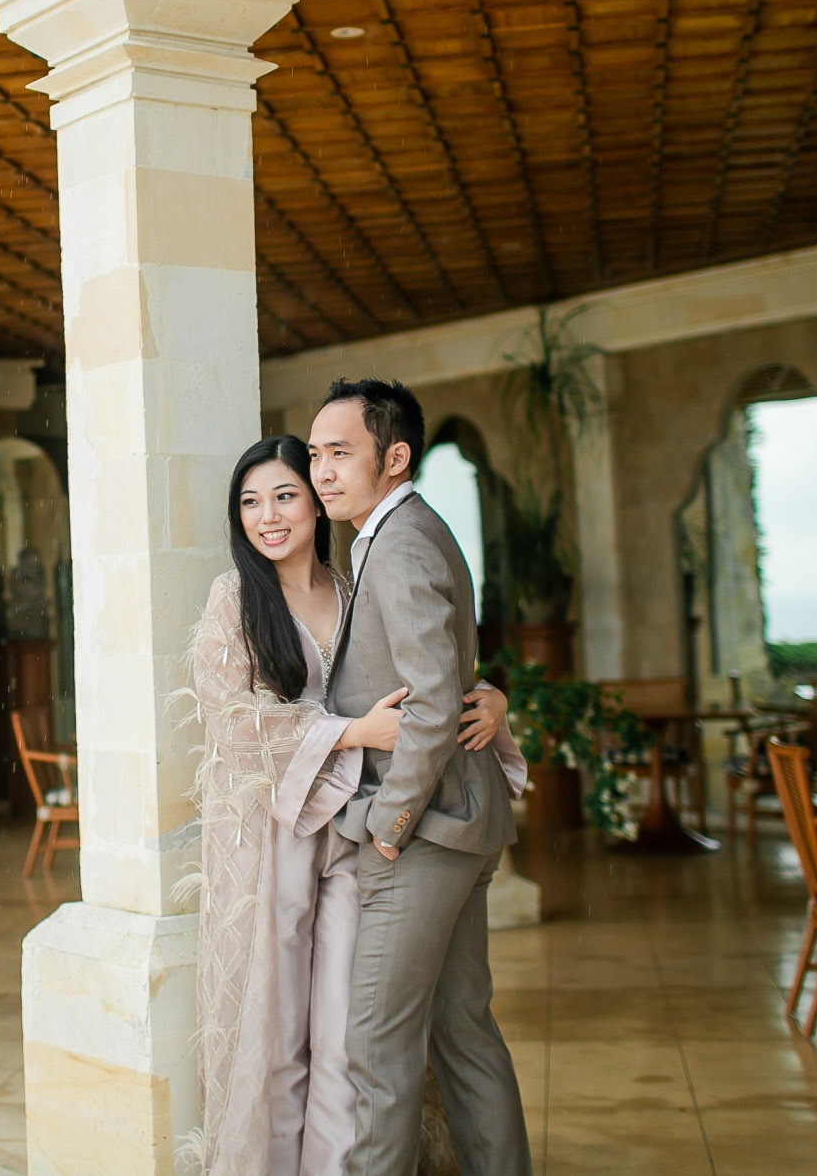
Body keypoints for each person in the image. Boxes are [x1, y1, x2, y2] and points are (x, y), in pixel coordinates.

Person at [189, 436, 520, 1176]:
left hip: (353, 838)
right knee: (277, 1029)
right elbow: (232, 720)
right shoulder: (235, 599)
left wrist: (491, 699)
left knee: (344, 1030)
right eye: (249, 501)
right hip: (274, 844)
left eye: (283, 494)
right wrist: (350, 731)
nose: (267, 516)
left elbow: (424, 674)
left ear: (315, 499)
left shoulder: (352, 586)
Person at [310, 379, 534, 1176]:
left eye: (341, 452)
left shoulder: (398, 541)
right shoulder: (397, 532)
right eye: (315, 454)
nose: (323, 471)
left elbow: (435, 702)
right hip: (465, 822)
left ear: (394, 456)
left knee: (376, 1044)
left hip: (426, 832)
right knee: (465, 1032)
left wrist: (387, 825)